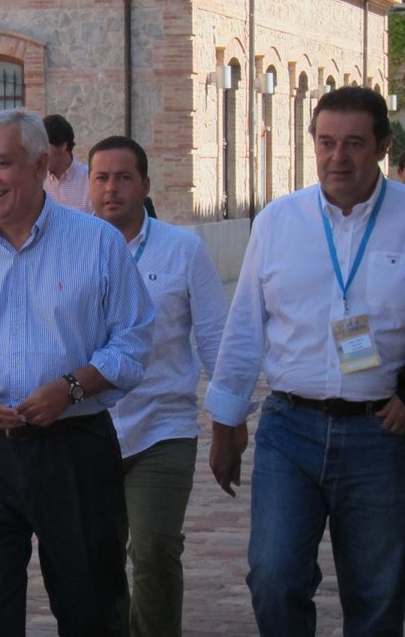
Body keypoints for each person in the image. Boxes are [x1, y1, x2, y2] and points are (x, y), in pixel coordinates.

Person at [0, 109, 154, 637]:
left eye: (3, 164)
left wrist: (72, 388)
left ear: (42, 165)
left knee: (91, 606)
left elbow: (133, 342)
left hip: (73, 447)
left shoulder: (98, 243)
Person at [207, 86, 405, 636]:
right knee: (273, 578)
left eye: (354, 143)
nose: (338, 157)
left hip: (380, 437)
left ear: (382, 147)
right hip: (289, 430)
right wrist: (225, 425)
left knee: (378, 595)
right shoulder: (278, 220)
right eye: (326, 142)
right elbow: (244, 327)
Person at [88, 136, 227, 636]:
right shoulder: (72, 250)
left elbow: (214, 338)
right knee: (96, 556)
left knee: (154, 548)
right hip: (90, 429)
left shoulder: (182, 250)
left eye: (123, 177)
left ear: (145, 184)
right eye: (101, 178)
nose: (112, 189)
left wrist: (228, 421)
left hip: (162, 428)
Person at [42, 113, 92, 213]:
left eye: (44, 147)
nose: (40, 153)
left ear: (62, 146)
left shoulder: (89, 179)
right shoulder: (37, 180)